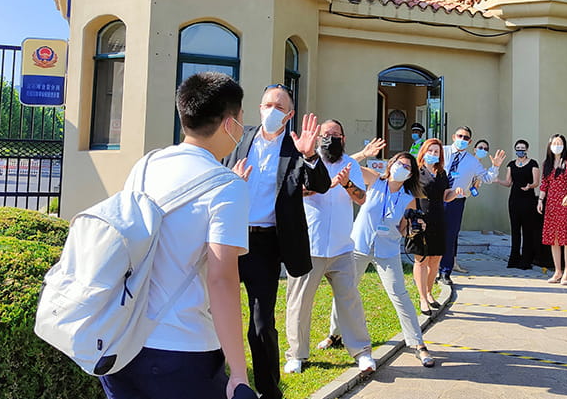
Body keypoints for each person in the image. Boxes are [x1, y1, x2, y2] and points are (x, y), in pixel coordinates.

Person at [99, 72, 253, 399]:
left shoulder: (146, 165)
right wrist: (239, 373)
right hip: (183, 349)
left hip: (121, 343)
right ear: (229, 123)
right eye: (241, 118)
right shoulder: (227, 186)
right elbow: (221, 280)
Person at [222, 83, 331, 399]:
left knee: (260, 323)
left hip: (265, 245)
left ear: (290, 114)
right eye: (268, 104)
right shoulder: (239, 138)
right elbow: (216, 175)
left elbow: (321, 184)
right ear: (259, 107)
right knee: (210, 312)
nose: (273, 110)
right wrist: (232, 183)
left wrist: (310, 154)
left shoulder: (296, 147)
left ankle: (269, 390)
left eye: (280, 107)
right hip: (229, 238)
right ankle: (217, 381)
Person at [324, 152, 436, 368]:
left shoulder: (408, 198)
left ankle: (417, 343)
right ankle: (334, 334)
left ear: (411, 174)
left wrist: (414, 228)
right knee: (345, 290)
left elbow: (403, 230)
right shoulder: (374, 180)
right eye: (399, 163)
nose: (402, 168)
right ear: (391, 164)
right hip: (359, 245)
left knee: (399, 295)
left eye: (407, 167)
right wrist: (364, 154)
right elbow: (349, 163)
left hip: (387, 251)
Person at [282, 119, 375, 375]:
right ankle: (296, 355)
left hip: (342, 247)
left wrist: (346, 184)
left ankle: (362, 352)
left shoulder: (351, 164)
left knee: (350, 302)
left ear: (343, 139)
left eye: (335, 134)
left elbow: (361, 197)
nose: (330, 139)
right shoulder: (304, 160)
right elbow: (292, 192)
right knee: (299, 304)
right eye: (325, 134)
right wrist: (319, 187)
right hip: (308, 246)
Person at [438, 126, 506, 285]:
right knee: (433, 234)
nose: (462, 139)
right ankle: (429, 270)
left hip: (456, 201)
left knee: (450, 236)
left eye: (466, 138)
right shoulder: (441, 151)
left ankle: (445, 272)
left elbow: (487, 178)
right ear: (454, 136)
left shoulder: (472, 161)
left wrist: (495, 166)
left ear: (470, 142)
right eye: (460, 136)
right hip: (436, 199)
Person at [415, 138, 463, 313]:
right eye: (430, 151)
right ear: (423, 152)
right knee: (421, 259)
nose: (433, 154)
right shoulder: (416, 171)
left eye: (436, 152)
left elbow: (445, 196)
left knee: (435, 259)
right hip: (421, 219)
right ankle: (422, 298)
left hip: (439, 218)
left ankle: (428, 293)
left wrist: (455, 193)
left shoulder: (441, 172)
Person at [537, 134, 567, 285]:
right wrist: (540, 200)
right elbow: (544, 184)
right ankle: (557, 271)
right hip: (551, 204)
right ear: (549, 145)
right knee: (553, 238)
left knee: (566, 238)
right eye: (554, 143)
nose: (557, 145)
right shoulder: (546, 164)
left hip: (566, 204)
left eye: (560, 143)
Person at [496, 139, 540, 270]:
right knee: (515, 230)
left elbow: (536, 182)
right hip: (514, 200)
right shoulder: (511, 164)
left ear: (526, 150)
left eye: (522, 148)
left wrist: (530, 186)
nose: (520, 150)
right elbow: (508, 182)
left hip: (528, 200)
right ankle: (514, 258)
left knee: (527, 230)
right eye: (518, 148)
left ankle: (526, 260)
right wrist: (497, 180)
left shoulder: (533, 163)